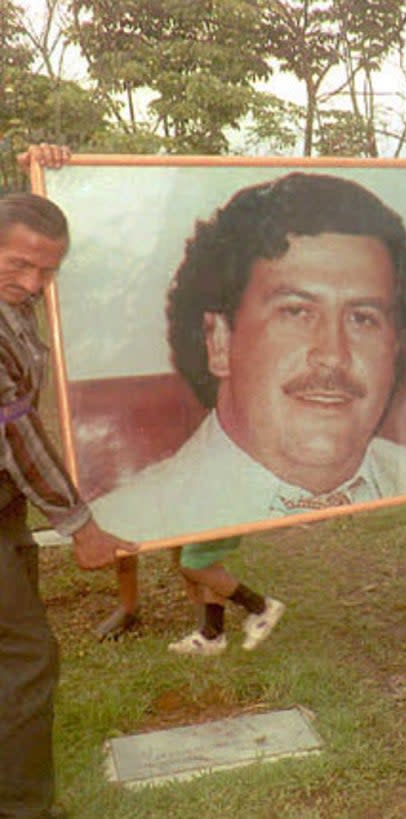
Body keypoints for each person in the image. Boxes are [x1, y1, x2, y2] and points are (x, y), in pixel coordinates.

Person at [90, 172, 406, 543]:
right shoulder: (120, 531)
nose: (333, 356)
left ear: (395, 350)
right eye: (296, 312)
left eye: (364, 318)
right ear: (220, 342)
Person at [0, 146, 133, 817]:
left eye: (47, 269)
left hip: (7, 513)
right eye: (18, 263)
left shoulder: (19, 303)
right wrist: (78, 524)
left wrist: (57, 172)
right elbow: (17, 429)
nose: (32, 279)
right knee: (27, 657)